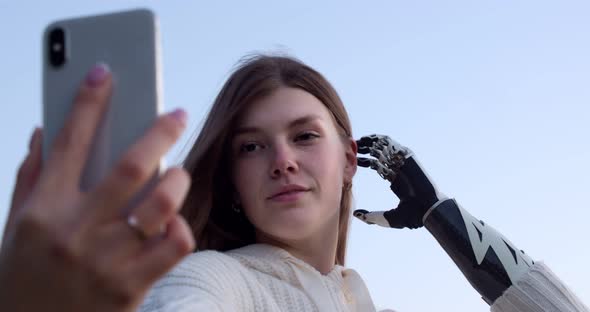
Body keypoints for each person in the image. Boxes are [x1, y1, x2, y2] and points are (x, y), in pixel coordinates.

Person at [0, 55, 587, 312]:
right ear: (231, 179)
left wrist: (445, 220)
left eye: (305, 136)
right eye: (251, 146)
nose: (281, 160)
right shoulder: (213, 279)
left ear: (351, 160)